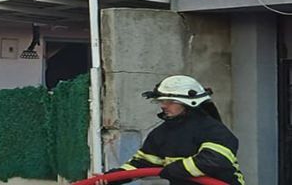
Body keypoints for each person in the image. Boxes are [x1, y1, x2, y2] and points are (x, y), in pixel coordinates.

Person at [100, 75, 244, 185]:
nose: (163, 106)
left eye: (169, 101)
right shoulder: (161, 134)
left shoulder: (211, 129)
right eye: (161, 101)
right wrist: (113, 177)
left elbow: (214, 161)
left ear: (188, 102)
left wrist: (176, 169)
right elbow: (142, 164)